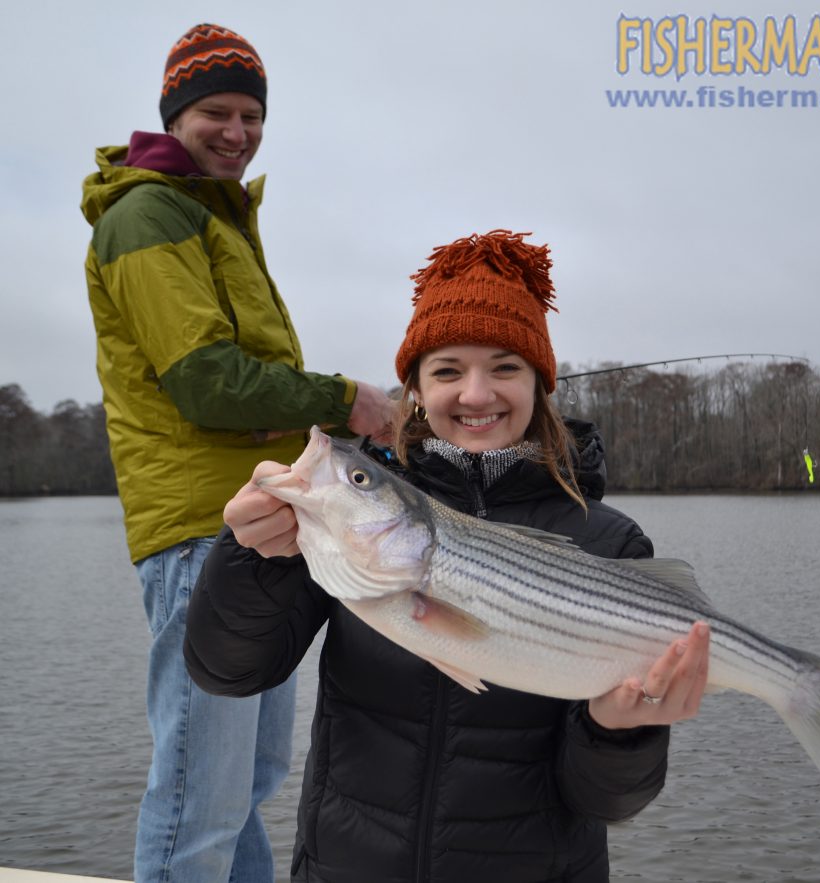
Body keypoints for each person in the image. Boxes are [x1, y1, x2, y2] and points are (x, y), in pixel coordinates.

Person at [184, 230, 711, 882]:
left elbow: (608, 799)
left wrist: (619, 732)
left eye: (506, 366)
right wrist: (255, 556)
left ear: (540, 383)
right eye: (447, 370)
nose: (476, 394)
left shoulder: (609, 540)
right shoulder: (342, 532)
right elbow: (226, 669)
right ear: (414, 389)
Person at [80, 23, 393, 883]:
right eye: (216, 111)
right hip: (197, 536)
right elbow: (208, 384)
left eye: (252, 114)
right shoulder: (148, 215)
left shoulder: (214, 217)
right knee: (197, 800)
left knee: (248, 782)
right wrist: (346, 400)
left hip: (259, 531)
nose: (237, 131)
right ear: (175, 114)